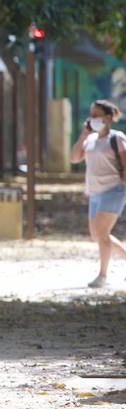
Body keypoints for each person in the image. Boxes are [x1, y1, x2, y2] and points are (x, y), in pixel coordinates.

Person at [69, 99, 126, 289]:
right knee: (98, 235)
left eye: (96, 115)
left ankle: (102, 276)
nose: (91, 118)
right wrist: (83, 135)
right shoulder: (91, 140)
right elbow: (74, 158)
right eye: (90, 115)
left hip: (113, 190)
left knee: (102, 233)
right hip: (94, 192)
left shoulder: (117, 138)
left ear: (108, 118)